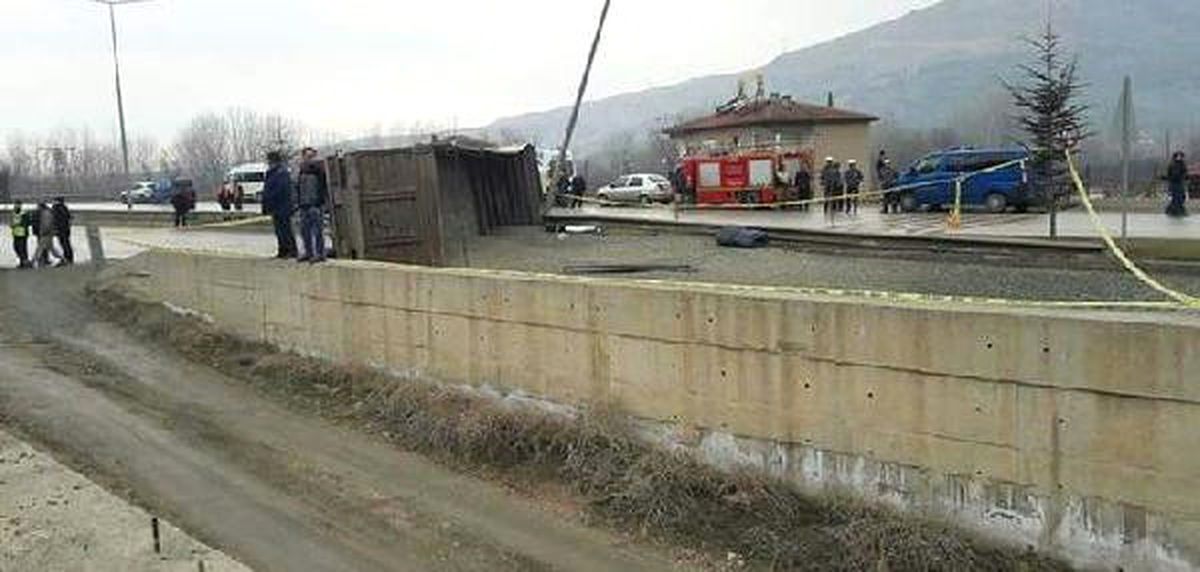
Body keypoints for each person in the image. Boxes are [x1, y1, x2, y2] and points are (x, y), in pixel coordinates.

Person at [263, 150, 298, 259]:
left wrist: (270, 198)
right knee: (279, 230)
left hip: (283, 206)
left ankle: (291, 251)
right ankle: (282, 250)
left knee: (285, 230)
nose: (268, 163)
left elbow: (281, 190)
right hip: (275, 207)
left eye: (269, 161)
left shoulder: (282, 173)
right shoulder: (271, 173)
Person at [296, 147, 329, 263]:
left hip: (315, 205)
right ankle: (308, 252)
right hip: (304, 205)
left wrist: (320, 203)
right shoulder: (301, 170)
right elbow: (298, 188)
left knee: (318, 231)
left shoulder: (319, 170)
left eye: (311, 156)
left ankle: (320, 254)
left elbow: (323, 188)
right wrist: (298, 203)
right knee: (304, 231)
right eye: (307, 156)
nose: (309, 159)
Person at [32, 202, 61, 268]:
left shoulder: (45, 214)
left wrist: (43, 232)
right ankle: (61, 258)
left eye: (38, 207)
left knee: (40, 247)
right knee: (50, 247)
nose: (37, 208)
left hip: (46, 233)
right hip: (48, 233)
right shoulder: (47, 212)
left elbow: (46, 224)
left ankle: (35, 260)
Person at [1165, 151, 1189, 218]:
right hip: (1173, 184)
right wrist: (1169, 178)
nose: (1179, 157)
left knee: (1181, 197)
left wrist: (1184, 177)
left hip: (1180, 183)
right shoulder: (1171, 164)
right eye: (1178, 156)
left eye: (1180, 156)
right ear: (1175, 157)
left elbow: (1185, 173)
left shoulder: (1183, 164)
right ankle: (1174, 211)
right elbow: (1169, 174)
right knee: (1175, 198)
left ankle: (1178, 211)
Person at [51, 197, 73, 266]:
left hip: (60, 230)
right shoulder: (64, 207)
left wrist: (55, 229)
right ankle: (69, 258)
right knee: (66, 243)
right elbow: (68, 217)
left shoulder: (56, 208)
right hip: (65, 229)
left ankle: (66, 258)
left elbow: (55, 219)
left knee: (63, 244)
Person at [9, 201, 32, 269]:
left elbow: (27, 223)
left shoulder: (24, 213)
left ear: (20, 205)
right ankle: (23, 261)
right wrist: (12, 225)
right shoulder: (13, 212)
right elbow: (12, 221)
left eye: (17, 205)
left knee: (22, 249)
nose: (16, 206)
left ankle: (24, 262)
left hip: (22, 234)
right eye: (15, 205)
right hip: (15, 233)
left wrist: (19, 224)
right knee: (16, 247)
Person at [820, 157, 842, 222]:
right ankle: (825, 210)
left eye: (830, 162)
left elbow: (836, 178)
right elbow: (822, 176)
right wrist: (823, 182)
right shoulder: (824, 169)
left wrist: (837, 184)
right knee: (826, 198)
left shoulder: (833, 169)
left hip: (833, 185)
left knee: (833, 198)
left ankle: (833, 210)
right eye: (828, 162)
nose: (829, 163)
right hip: (827, 185)